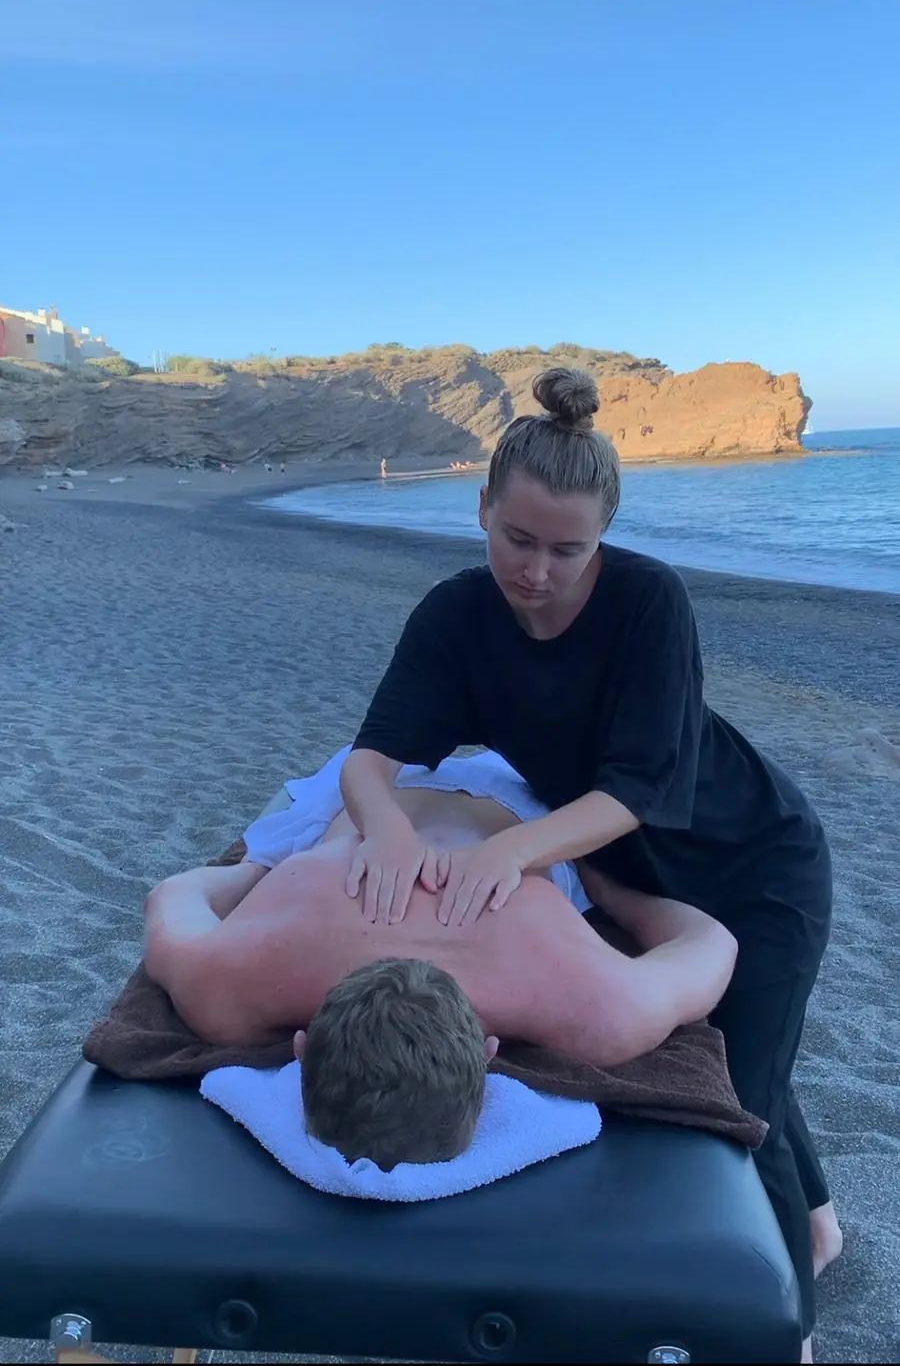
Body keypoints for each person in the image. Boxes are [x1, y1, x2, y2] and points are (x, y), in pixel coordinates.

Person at [340, 366, 839, 1360]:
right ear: (482, 510)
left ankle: (787, 1328)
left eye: (569, 550)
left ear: (603, 536)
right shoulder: (455, 615)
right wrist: (385, 828)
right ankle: (822, 1226)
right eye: (517, 540)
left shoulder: (649, 602)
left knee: (739, 1091)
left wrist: (518, 852)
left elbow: (640, 788)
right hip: (634, 876)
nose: (537, 572)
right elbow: (370, 759)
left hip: (756, 862)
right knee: (750, 1062)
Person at [143, 784, 736, 1169]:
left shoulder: (601, 1012)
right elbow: (179, 894)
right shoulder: (226, 986)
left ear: (485, 1054)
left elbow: (708, 943)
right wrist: (616, 896)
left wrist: (255, 872)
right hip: (401, 793)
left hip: (426, 793)